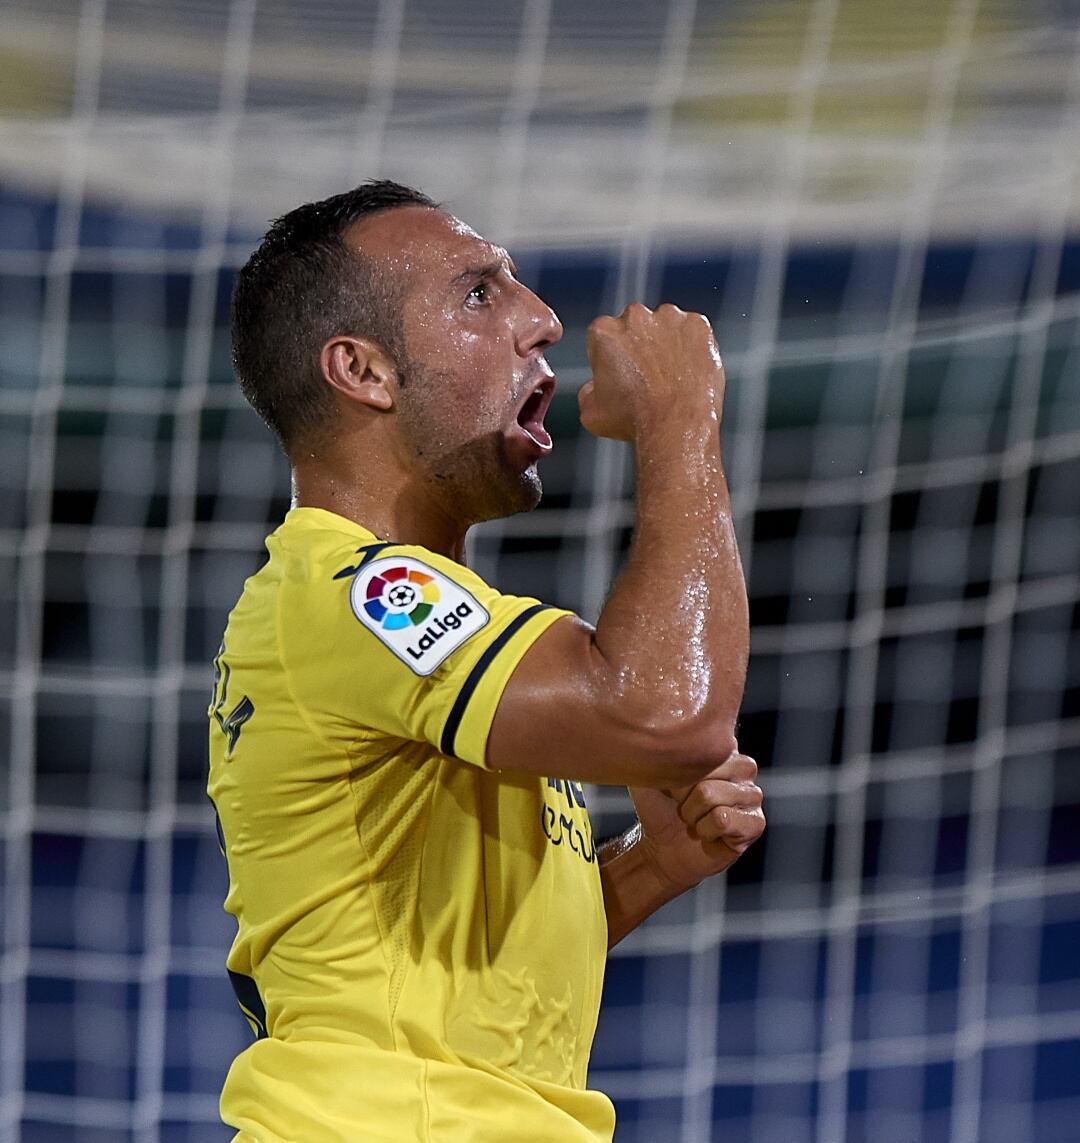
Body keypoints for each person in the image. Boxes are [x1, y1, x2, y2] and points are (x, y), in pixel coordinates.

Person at [208, 179, 764, 1143]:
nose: (543, 320)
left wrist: (649, 868)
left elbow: (446, 981)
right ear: (363, 371)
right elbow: (669, 716)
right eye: (479, 294)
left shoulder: (399, 620)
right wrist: (681, 419)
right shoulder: (358, 594)